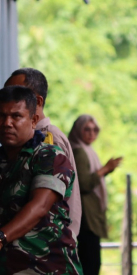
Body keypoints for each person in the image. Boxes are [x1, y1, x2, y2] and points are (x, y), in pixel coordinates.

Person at [0, 86, 82, 275]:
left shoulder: (49, 156)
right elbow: (1, 225)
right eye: (1, 116)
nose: (7, 123)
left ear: (34, 120)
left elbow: (40, 206)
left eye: (16, 116)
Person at [5, 67, 82, 240]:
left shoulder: (48, 138)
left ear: (38, 102)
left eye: (17, 94)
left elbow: (43, 207)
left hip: (44, 252)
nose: (8, 99)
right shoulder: (20, 143)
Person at [68, 115, 123, 275]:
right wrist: (105, 169)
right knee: (90, 263)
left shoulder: (87, 150)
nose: (91, 133)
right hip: (85, 217)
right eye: (87, 129)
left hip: (90, 214)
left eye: (95, 130)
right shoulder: (78, 151)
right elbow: (84, 183)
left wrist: (106, 170)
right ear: (78, 130)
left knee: (91, 262)